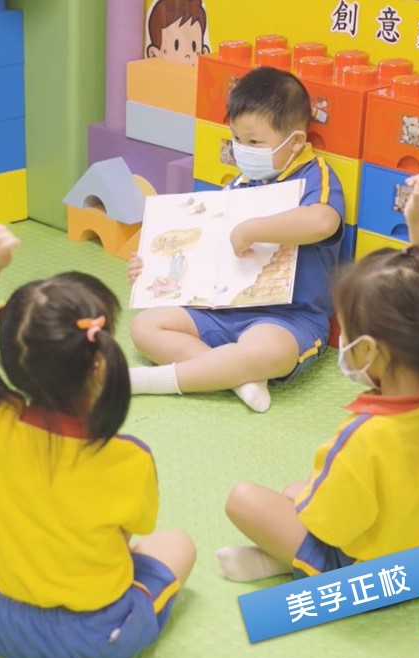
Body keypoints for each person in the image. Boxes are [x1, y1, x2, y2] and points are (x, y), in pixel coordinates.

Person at [0, 223, 196, 658]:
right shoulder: (130, 458)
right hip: (100, 636)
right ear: (100, 362)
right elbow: (126, 538)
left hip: (0, 626)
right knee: (179, 544)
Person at [216, 173, 419, 581]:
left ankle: (289, 561)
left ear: (369, 350)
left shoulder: (362, 437)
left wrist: (303, 502)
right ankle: (280, 555)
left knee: (247, 499)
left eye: (348, 334)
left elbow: (331, 529)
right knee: (298, 489)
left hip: (369, 571)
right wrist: (418, 224)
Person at [128, 67, 345, 413]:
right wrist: (151, 269)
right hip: (222, 308)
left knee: (267, 351)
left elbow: (323, 221)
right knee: (145, 326)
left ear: (296, 142)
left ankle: (154, 380)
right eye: (238, 140)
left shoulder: (313, 174)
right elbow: (203, 246)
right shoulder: (239, 185)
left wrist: (253, 230)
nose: (243, 150)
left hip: (287, 319)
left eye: (255, 143)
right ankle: (239, 379)